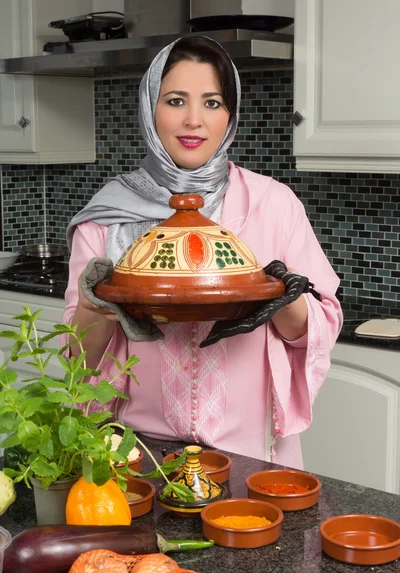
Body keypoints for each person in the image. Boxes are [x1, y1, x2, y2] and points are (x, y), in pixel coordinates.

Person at [63, 35, 343, 468]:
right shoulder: (107, 215)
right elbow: (75, 363)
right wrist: (96, 306)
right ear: (149, 107)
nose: (194, 120)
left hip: (253, 453)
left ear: (230, 115)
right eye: (175, 100)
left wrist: (282, 299)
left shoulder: (274, 203)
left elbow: (321, 327)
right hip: (134, 455)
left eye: (212, 103)